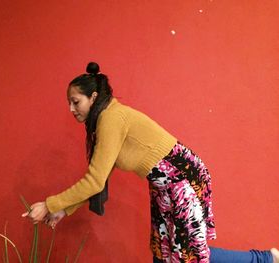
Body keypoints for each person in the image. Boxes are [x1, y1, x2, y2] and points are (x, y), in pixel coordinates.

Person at [22, 62, 279, 263]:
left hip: (182, 179)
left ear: (94, 97)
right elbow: (99, 176)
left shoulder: (111, 118)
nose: (71, 108)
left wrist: (49, 204)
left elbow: (95, 180)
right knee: (162, 250)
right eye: (69, 102)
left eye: (75, 102)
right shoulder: (107, 118)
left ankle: (266, 259)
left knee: (187, 256)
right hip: (164, 185)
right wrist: (63, 210)